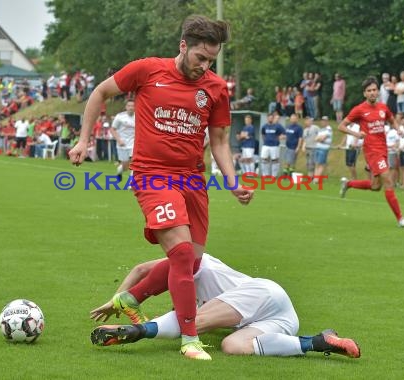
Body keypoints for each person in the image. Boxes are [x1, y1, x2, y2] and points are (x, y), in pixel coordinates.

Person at [67, 15, 254, 361]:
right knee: (182, 255)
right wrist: (83, 141)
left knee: (194, 262)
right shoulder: (147, 70)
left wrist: (233, 182)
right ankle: (189, 339)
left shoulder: (215, 89)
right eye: (200, 57)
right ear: (183, 46)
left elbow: (221, 142)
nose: (205, 66)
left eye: (211, 59)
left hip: (192, 180)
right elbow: (100, 93)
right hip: (153, 176)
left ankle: (131, 297)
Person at [90, 253, 361, 360]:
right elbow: (141, 270)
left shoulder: (194, 261)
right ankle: (318, 341)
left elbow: (145, 270)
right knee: (232, 346)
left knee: (191, 322)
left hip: (262, 294)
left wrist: (125, 300)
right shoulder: (185, 274)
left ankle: (137, 333)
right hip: (282, 320)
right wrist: (116, 299)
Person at [338, 76, 404, 228]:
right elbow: (341, 126)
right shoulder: (359, 110)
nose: (372, 93)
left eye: (374, 90)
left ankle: (349, 184)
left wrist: (398, 129)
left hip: (383, 149)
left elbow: (392, 120)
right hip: (372, 151)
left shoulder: (382, 108)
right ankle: (400, 218)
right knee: (388, 179)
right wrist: (356, 135)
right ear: (364, 93)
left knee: (375, 186)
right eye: (369, 91)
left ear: (378, 91)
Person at [109, 99, 136, 181]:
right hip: (122, 144)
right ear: (126, 107)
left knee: (134, 163)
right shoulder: (120, 116)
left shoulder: (138, 116)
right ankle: (119, 171)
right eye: (129, 106)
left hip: (134, 144)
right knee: (125, 166)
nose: (131, 108)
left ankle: (132, 183)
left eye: (132, 106)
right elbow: (112, 129)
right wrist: (119, 140)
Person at [313, 116, 332, 182]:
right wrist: (319, 138)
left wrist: (319, 138)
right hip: (318, 147)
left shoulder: (328, 128)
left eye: (324, 120)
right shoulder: (321, 129)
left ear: (327, 121)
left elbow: (322, 138)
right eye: (322, 120)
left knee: (321, 164)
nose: (323, 122)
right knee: (317, 163)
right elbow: (316, 139)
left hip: (323, 148)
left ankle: (316, 179)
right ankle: (315, 178)